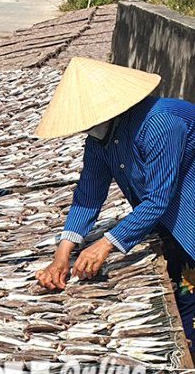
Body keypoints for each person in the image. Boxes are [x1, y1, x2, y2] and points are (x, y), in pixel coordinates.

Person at [33, 58, 195, 350]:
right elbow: (89, 193)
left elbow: (159, 198)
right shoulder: (99, 139)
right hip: (167, 221)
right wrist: (63, 252)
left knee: (190, 298)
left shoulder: (161, 123)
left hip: (187, 213)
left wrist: (106, 243)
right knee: (185, 299)